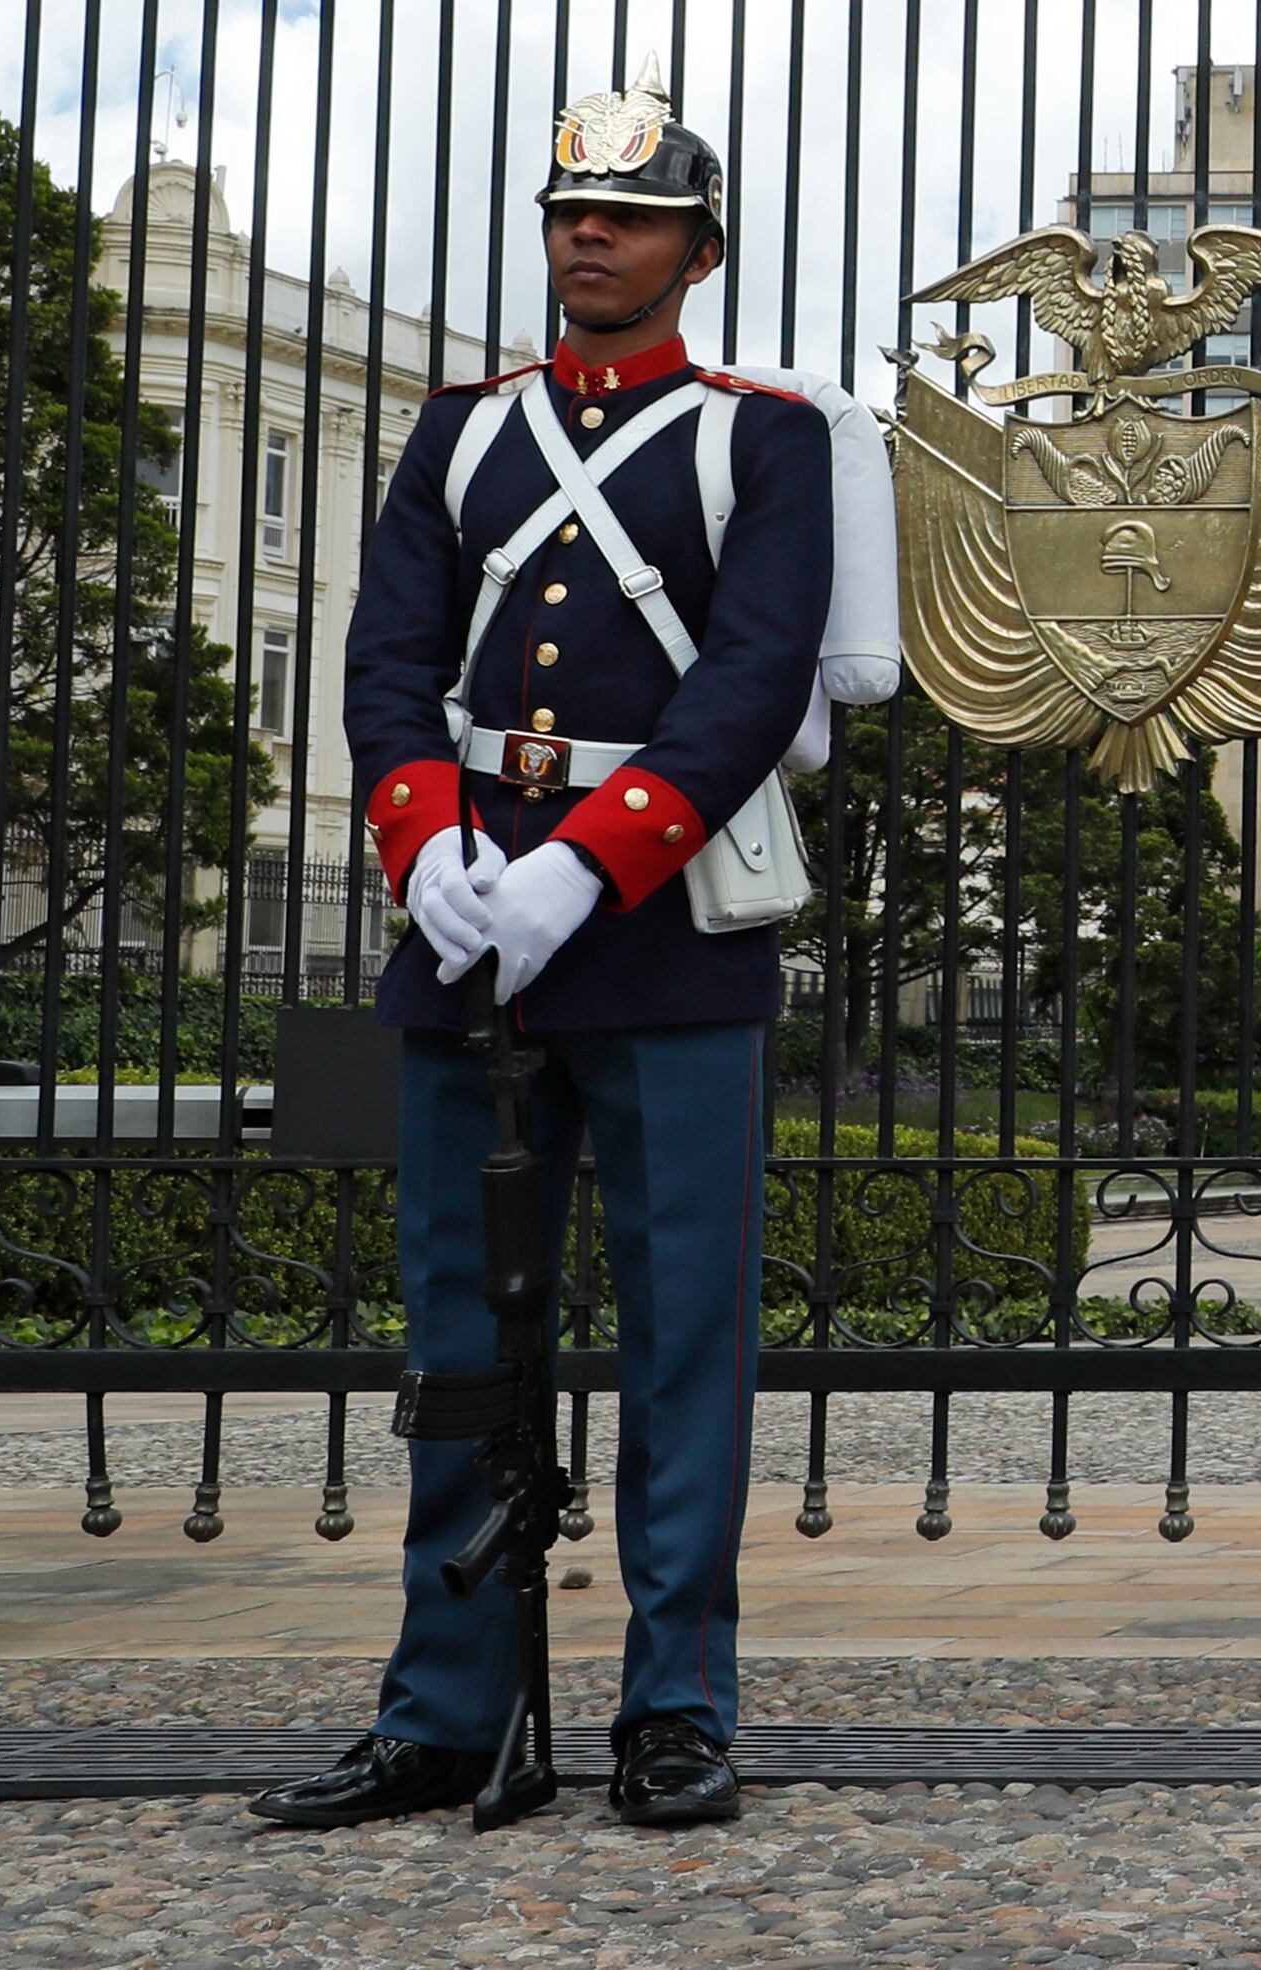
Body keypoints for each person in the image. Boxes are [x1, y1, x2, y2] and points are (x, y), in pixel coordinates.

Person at [249, 88, 831, 1834]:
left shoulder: (764, 439)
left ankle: (675, 1703)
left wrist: (587, 864)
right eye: (570, 207)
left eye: (631, 215)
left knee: (681, 1351)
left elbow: (749, 676)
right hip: (467, 929)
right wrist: (427, 845)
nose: (590, 233)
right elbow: (389, 655)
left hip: (656, 940)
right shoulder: (458, 431)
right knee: (457, 1341)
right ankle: (442, 1706)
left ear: (698, 250)